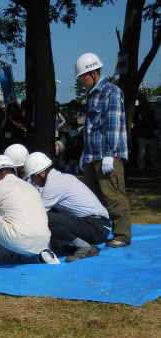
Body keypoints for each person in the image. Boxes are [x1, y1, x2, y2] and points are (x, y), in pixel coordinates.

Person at [75, 52, 131, 248]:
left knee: (113, 196)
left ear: (92, 73)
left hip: (108, 155)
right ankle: (97, 232)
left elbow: (114, 126)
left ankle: (122, 235)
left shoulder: (111, 92)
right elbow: (91, 129)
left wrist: (110, 154)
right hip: (92, 156)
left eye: (82, 77)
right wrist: (84, 155)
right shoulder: (91, 95)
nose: (81, 81)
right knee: (91, 199)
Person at [25, 152, 111, 262]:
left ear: (41, 174)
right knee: (52, 221)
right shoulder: (60, 178)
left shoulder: (54, 185)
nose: (33, 181)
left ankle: (84, 247)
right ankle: (71, 246)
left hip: (97, 227)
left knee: (45, 218)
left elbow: (37, 213)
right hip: (98, 224)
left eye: (33, 177)